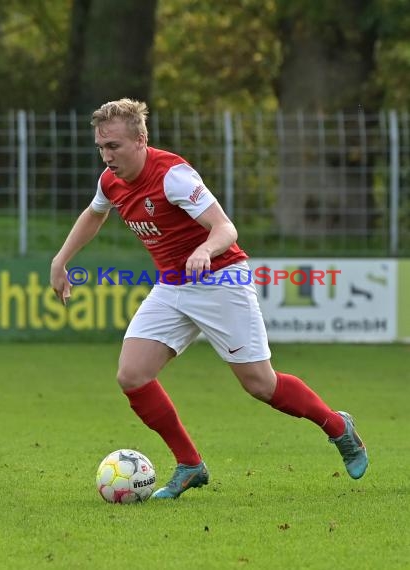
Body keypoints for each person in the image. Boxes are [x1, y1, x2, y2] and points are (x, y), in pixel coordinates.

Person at [50, 98, 368, 499]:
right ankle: (190, 464)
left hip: (221, 279)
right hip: (173, 285)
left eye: (113, 146)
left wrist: (205, 250)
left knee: (260, 385)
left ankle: (338, 428)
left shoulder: (173, 176)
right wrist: (61, 260)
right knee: (132, 375)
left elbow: (225, 228)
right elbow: (95, 213)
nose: (106, 155)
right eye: (101, 146)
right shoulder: (110, 181)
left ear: (141, 140)